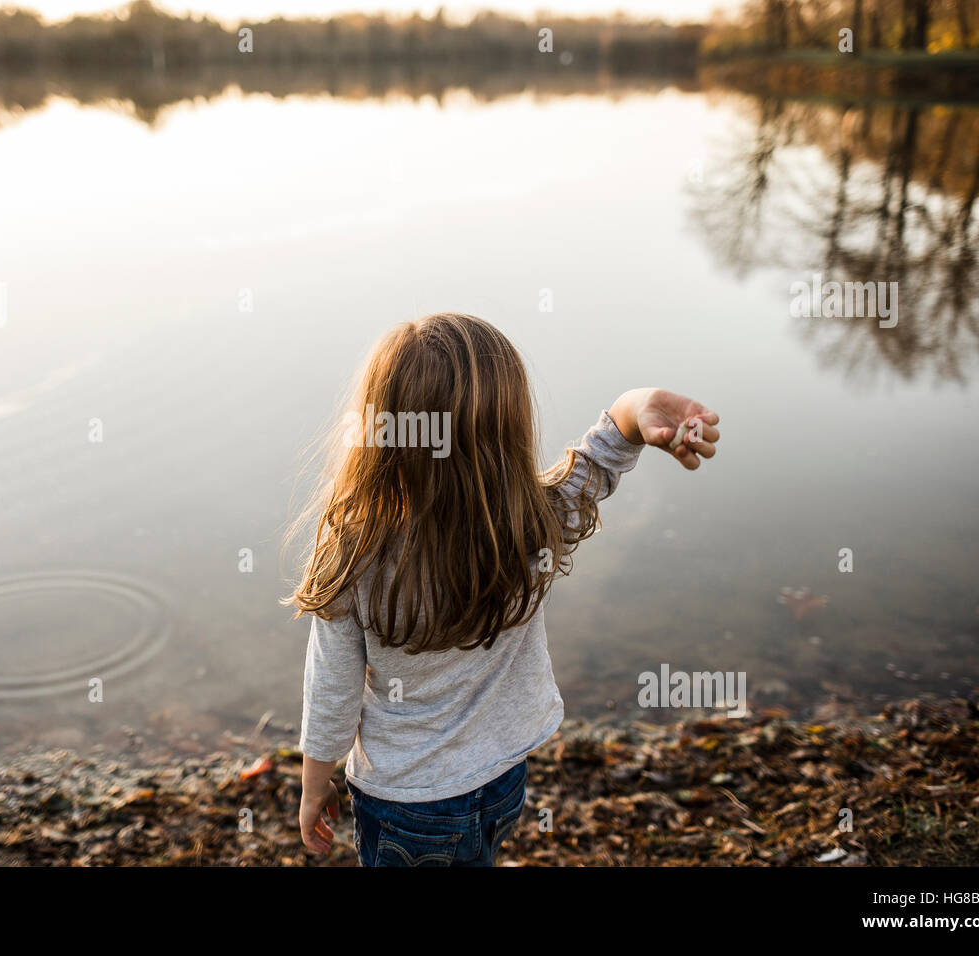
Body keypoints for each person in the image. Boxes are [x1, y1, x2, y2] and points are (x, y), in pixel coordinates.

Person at [286, 312, 720, 866]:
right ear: (507, 427)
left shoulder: (356, 549)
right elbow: (595, 465)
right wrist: (635, 409)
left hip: (407, 804)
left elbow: (332, 690)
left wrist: (314, 783)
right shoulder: (530, 523)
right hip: (503, 779)